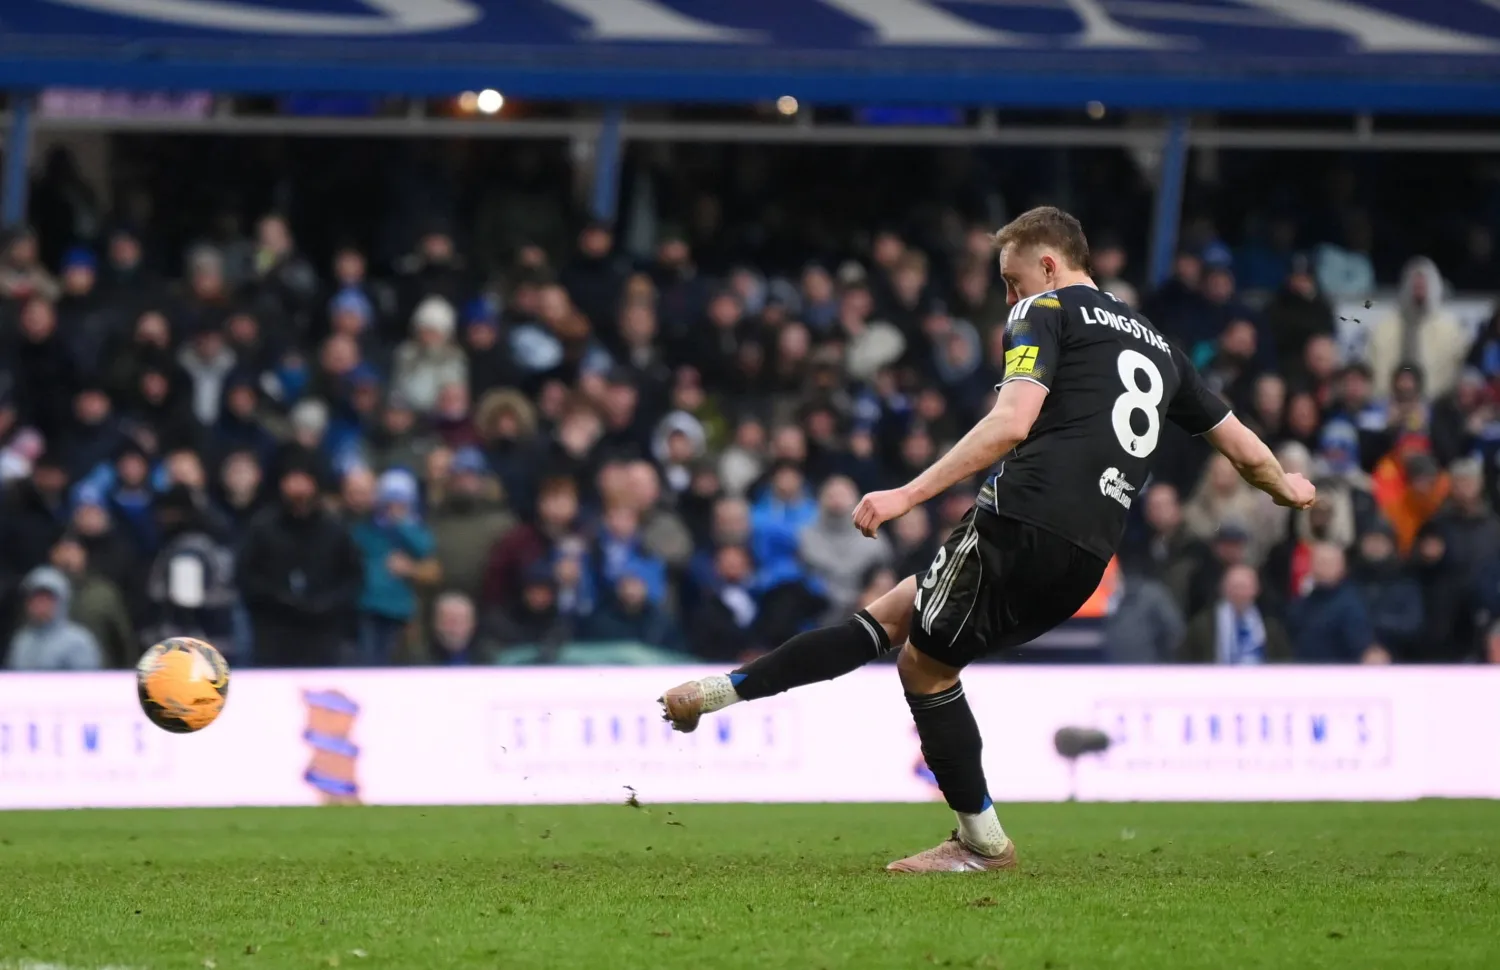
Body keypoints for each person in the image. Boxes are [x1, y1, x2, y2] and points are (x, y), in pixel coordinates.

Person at [658, 206, 1315, 873]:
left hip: (1022, 521)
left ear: (1050, 265)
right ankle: (715, 695)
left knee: (922, 665)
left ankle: (980, 842)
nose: (1008, 297)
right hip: (1087, 554)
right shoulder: (1156, 343)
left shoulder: (1045, 311)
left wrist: (905, 494)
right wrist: (1286, 486)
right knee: (890, 616)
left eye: (1012, 278)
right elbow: (1239, 444)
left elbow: (1010, 424)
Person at [236, 452, 364, 667]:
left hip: (324, 637)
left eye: (304, 481)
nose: (298, 489)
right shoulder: (262, 528)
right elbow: (246, 577)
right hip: (273, 637)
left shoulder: (335, 530)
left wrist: (327, 603)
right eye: (292, 480)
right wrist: (279, 599)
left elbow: (353, 578)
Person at [6, 566, 103, 671]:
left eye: (46, 599)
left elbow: (86, 683)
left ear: (62, 601)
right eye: (34, 598)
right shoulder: (22, 639)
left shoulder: (78, 641)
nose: (39, 605)